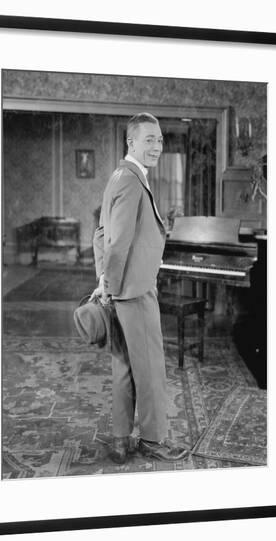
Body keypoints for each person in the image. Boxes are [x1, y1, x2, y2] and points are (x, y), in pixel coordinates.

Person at [91, 112, 189, 464]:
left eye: (160, 139)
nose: (158, 146)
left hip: (119, 288)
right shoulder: (132, 180)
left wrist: (104, 282)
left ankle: (120, 440)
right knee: (149, 368)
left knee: (124, 366)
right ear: (130, 142)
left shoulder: (120, 176)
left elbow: (101, 235)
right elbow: (116, 244)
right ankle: (152, 440)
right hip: (133, 291)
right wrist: (113, 286)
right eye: (150, 139)